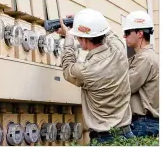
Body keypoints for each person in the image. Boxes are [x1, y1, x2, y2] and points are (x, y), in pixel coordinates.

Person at [57, 8, 135, 145]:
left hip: (105, 140)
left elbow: (68, 68)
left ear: (83, 41)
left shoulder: (87, 70)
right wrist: (82, 21)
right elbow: (107, 32)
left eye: (78, 37)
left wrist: (68, 39)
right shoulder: (119, 50)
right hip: (128, 134)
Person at [123, 11, 159, 137]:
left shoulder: (145, 59)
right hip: (145, 123)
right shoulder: (142, 57)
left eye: (127, 32)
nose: (124, 36)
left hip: (143, 124)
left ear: (140, 33)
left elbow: (125, 86)